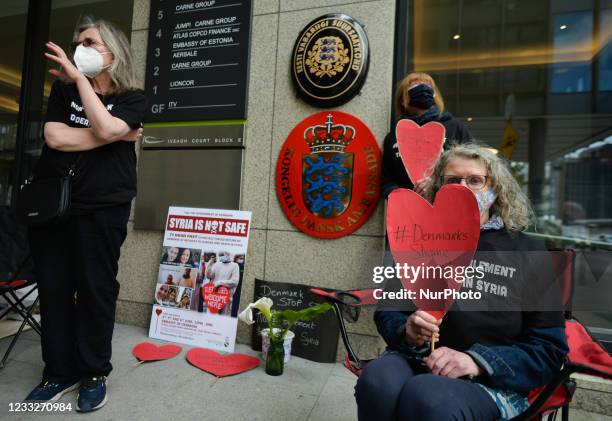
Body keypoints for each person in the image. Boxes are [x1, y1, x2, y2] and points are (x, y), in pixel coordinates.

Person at [355, 144, 568, 420]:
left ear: (496, 190)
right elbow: (388, 312)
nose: (462, 188)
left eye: (475, 180)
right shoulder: (417, 241)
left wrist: (476, 361)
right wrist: (406, 331)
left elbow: (549, 350)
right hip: (416, 359)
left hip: (492, 380)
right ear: (437, 187)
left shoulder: (527, 253)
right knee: (376, 382)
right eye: (453, 181)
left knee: (427, 396)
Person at [25, 16, 146, 412]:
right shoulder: (61, 92)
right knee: (55, 290)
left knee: (96, 290)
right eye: (79, 41)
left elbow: (108, 126)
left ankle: (94, 371)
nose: (81, 47)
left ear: (113, 50)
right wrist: (114, 133)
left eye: (90, 41)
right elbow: (55, 137)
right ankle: (58, 372)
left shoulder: (133, 98)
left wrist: (83, 84)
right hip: (55, 207)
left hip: (103, 209)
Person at [382, 72, 472, 198]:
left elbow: (472, 168)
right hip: (408, 210)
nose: (423, 88)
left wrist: (437, 184)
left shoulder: (455, 127)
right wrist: (399, 196)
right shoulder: (393, 137)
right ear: (403, 99)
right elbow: (386, 179)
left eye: (428, 85)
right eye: (415, 85)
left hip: (447, 203)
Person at [205, 251, 240, 316]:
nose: (221, 257)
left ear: (228, 254)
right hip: (213, 297)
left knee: (222, 320)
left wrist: (219, 283)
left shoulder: (235, 266)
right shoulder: (217, 265)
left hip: (226, 298)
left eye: (222, 255)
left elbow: (234, 282)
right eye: (220, 255)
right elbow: (209, 276)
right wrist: (210, 264)